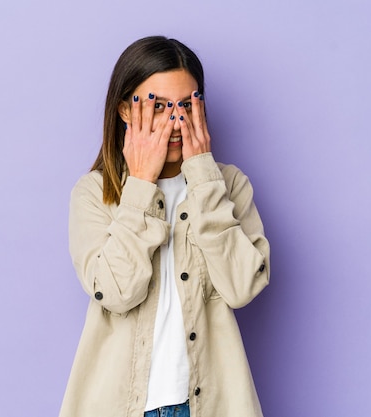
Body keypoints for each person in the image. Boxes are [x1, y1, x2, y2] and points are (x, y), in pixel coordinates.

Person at [59, 35, 270, 417]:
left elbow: (242, 288)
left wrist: (204, 177)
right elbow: (117, 292)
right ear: (125, 110)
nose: (176, 121)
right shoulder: (94, 193)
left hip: (212, 404)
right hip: (118, 406)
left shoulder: (228, 185)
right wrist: (140, 187)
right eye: (157, 106)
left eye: (187, 105)